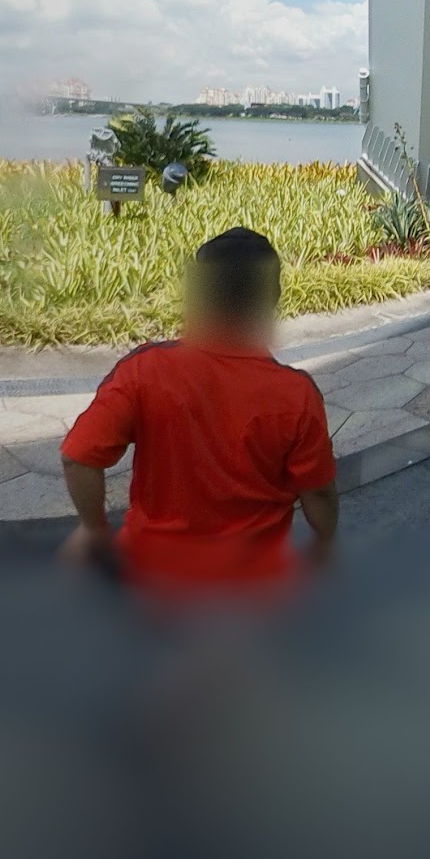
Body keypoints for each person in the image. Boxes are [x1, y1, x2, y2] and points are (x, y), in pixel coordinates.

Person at [58, 226, 338, 597]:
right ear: (271, 298)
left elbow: (78, 458)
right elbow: (317, 493)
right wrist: (325, 542)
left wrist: (93, 530)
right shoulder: (297, 394)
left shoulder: (144, 371)